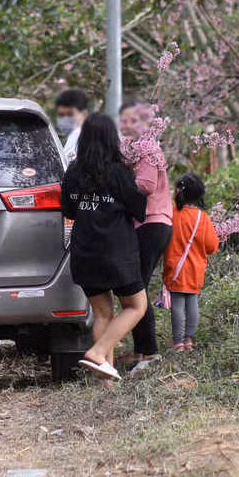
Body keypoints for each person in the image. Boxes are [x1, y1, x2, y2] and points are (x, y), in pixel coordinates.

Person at [61, 113, 148, 381]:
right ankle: (98, 352)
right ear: (112, 139)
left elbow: (69, 210)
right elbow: (139, 210)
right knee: (137, 306)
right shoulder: (119, 172)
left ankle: (107, 383)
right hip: (116, 254)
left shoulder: (73, 172)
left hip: (85, 253)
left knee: (102, 315)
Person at [119, 98, 173, 375]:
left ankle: (150, 353)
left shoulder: (147, 147)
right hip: (147, 224)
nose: (127, 125)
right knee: (134, 286)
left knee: (135, 287)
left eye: (133, 120)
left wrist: (116, 183)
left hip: (152, 222)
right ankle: (141, 350)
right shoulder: (133, 148)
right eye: (124, 120)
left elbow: (146, 185)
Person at [162, 173, 219, 351]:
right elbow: (212, 247)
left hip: (175, 268)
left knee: (177, 305)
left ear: (179, 192)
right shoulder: (203, 218)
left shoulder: (171, 214)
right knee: (192, 302)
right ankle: (189, 340)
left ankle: (178, 342)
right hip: (195, 270)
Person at [54, 88, 89, 163]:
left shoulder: (88, 140)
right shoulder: (70, 138)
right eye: (61, 115)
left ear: (84, 114)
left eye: (70, 114)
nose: (65, 119)